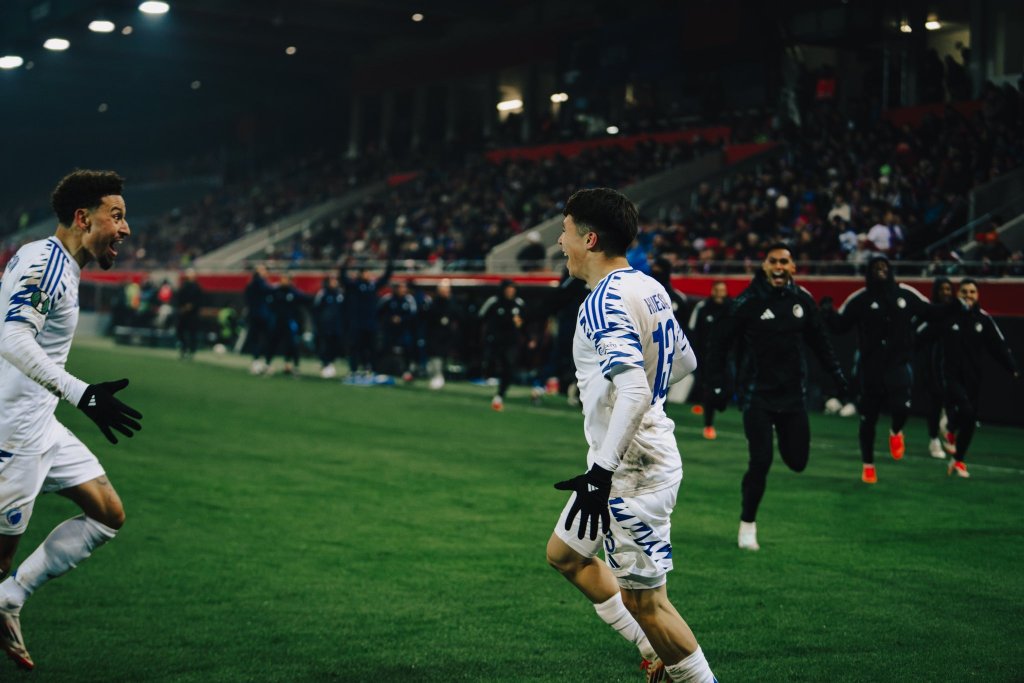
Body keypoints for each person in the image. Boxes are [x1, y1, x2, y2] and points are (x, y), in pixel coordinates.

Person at [545, 188, 716, 683]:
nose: (561, 242)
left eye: (566, 231)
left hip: (628, 473)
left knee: (648, 601)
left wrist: (601, 473)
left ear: (590, 239)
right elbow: (685, 362)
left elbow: (635, 388)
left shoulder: (601, 302)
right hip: (632, 458)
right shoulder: (649, 287)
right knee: (566, 556)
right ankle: (651, 649)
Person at [0, 170, 143, 670]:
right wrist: (84, 395)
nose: (126, 229)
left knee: (107, 513)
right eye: (117, 215)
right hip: (12, 433)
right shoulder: (48, 264)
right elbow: (12, 339)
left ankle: (11, 596)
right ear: (83, 218)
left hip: (40, 423)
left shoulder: (54, 261)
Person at [706, 243, 848, 551]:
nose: (780, 266)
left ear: (794, 267)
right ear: (765, 266)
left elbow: (821, 343)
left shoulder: (803, 301)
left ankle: (782, 437)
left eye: (785, 261)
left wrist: (837, 376)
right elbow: (719, 344)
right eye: (774, 261)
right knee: (761, 460)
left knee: (797, 462)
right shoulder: (747, 302)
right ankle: (747, 525)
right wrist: (716, 384)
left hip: (793, 397)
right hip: (757, 396)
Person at [821, 256, 956, 483]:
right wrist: (827, 312)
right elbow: (840, 326)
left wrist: (953, 305)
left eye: (884, 267)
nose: (881, 270)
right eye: (876, 268)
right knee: (868, 418)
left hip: (898, 364)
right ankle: (868, 465)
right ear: (869, 272)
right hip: (871, 368)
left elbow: (930, 311)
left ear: (891, 270)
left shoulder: (905, 293)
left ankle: (896, 431)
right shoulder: (860, 298)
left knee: (902, 406)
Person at [935, 279, 1019, 478]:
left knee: (971, 421)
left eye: (972, 292)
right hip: (950, 375)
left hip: (974, 378)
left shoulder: (983, 319)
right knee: (965, 409)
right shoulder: (948, 316)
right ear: (958, 294)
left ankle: (958, 461)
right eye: (964, 291)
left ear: (977, 295)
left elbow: (997, 346)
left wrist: (1012, 367)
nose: (968, 295)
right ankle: (948, 425)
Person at [915, 277, 955, 458]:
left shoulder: (957, 313)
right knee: (935, 404)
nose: (946, 293)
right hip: (932, 366)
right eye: (942, 290)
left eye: (949, 289)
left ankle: (946, 430)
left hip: (953, 367)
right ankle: (934, 440)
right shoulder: (929, 313)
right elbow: (916, 335)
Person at [687, 281, 731, 440]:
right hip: (707, 357)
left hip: (726, 357)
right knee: (709, 390)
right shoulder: (703, 308)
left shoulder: (731, 308)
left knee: (724, 392)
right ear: (713, 291)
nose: (721, 293)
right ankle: (708, 425)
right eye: (718, 290)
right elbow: (693, 331)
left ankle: (719, 402)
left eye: (723, 290)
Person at [339, 256, 393, 377]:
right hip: (357, 323)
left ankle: (370, 369)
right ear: (361, 274)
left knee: (371, 348)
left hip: (371, 323)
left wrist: (389, 266)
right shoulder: (354, 286)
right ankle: (353, 370)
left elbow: (385, 279)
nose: (370, 275)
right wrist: (344, 265)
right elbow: (343, 279)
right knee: (355, 347)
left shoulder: (372, 286)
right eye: (367, 272)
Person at [478, 279, 525, 411]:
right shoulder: (494, 301)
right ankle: (488, 376)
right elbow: (481, 317)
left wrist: (521, 326)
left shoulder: (518, 303)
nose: (511, 292)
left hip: (511, 342)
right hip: (495, 340)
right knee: (491, 361)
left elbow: (525, 320)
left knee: (509, 366)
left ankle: (500, 394)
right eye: (508, 289)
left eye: (513, 289)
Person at [263, 272, 309, 375]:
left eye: (286, 279)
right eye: (282, 278)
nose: (284, 281)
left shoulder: (294, 293)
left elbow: (305, 301)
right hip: (277, 322)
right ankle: (267, 364)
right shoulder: (276, 291)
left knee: (292, 345)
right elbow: (269, 304)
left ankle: (293, 366)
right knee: (272, 344)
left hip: (289, 323)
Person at [422, 278, 461, 390]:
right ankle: (436, 376)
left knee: (442, 356)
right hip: (435, 333)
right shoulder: (434, 303)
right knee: (434, 355)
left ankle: (439, 376)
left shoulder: (452, 303)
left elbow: (458, 315)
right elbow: (429, 316)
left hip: (447, 334)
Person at [377, 280, 418, 379]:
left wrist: (402, 319)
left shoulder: (409, 300)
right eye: (400, 287)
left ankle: (407, 371)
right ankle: (383, 371)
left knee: (407, 349)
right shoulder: (388, 299)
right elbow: (379, 313)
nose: (403, 290)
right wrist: (389, 320)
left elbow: (413, 315)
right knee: (386, 349)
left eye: (404, 287)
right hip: (390, 331)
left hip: (404, 330)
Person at [312, 275, 345, 378]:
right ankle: (325, 364)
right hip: (325, 326)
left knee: (335, 345)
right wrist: (318, 324)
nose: (334, 282)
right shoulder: (322, 294)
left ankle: (330, 363)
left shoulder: (340, 295)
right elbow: (316, 310)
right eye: (332, 280)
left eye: (335, 280)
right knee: (325, 345)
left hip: (336, 326)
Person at [243, 264, 274, 374]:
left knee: (261, 339)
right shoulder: (258, 283)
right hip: (260, 315)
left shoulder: (256, 283)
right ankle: (259, 362)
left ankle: (259, 361)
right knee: (261, 338)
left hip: (258, 315)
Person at [175, 267, 203, 360]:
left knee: (192, 334)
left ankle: (191, 351)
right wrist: (182, 308)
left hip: (193, 315)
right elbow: (178, 299)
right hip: (183, 314)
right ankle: (184, 349)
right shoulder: (184, 286)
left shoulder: (197, 288)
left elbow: (199, 301)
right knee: (180, 332)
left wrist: (191, 306)